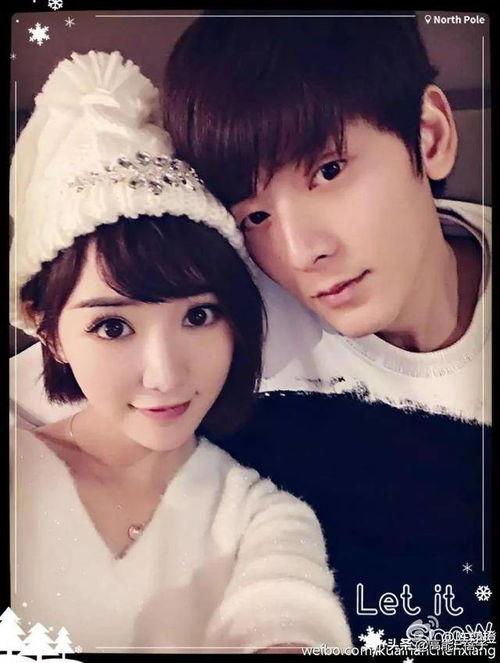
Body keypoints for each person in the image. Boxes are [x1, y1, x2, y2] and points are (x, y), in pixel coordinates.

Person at [9, 50, 352, 653]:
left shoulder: (261, 518)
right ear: (49, 329)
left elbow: (289, 617)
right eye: (112, 327)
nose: (165, 376)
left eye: (198, 316)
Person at [161, 15, 492, 638]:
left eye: (329, 171)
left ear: (429, 136)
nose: (299, 251)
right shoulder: (224, 319)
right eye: (255, 216)